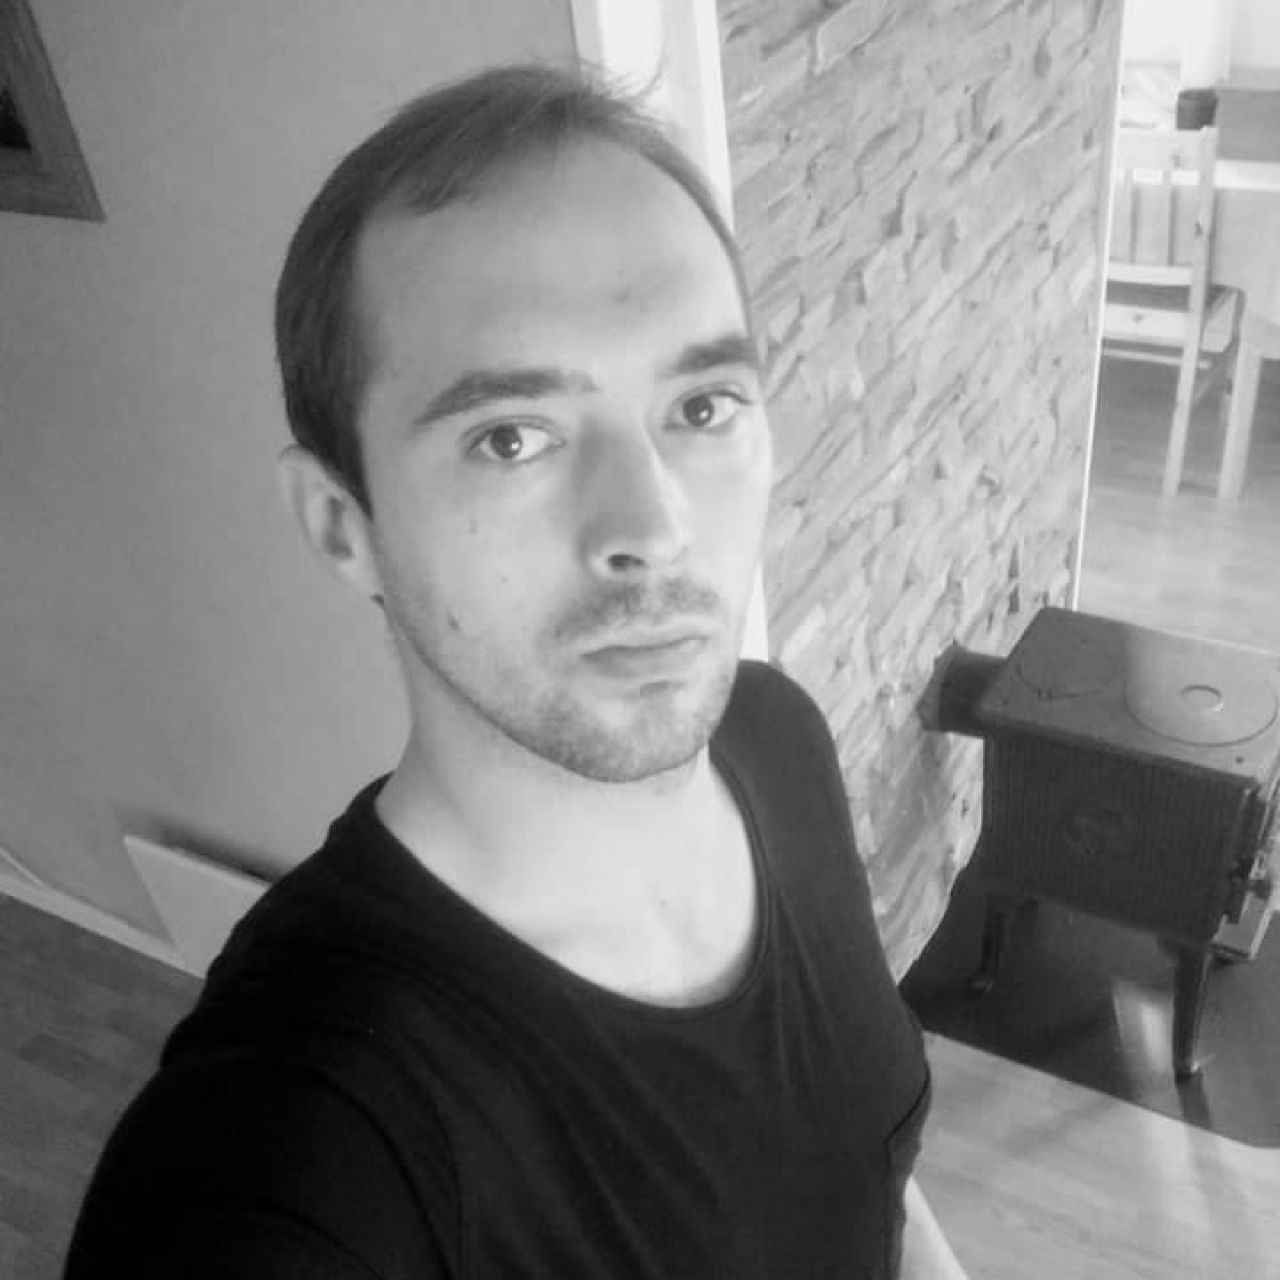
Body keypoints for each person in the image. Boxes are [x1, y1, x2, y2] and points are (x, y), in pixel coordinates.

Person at [64, 63, 969, 1279]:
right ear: (342, 523)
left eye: (701, 406)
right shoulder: (294, 1147)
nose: (651, 525)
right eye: (510, 437)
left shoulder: (771, 734)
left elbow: (867, 1168)